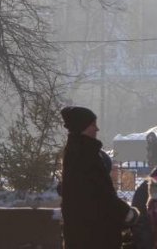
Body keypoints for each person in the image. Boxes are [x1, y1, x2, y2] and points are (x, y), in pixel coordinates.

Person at [59, 106, 138, 249]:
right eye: (93, 124)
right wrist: (127, 213)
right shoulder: (86, 156)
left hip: (81, 235)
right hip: (95, 236)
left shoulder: (75, 153)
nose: (97, 129)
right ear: (82, 127)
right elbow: (102, 195)